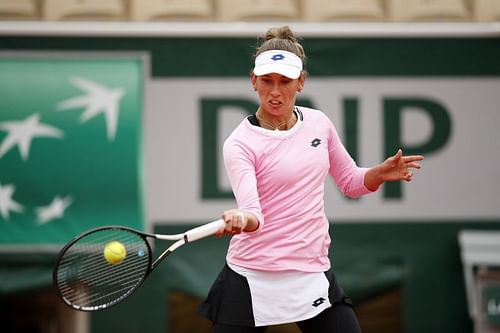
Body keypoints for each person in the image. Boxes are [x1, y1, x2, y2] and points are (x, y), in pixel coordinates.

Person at [198, 26, 424, 333]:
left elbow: (350, 182)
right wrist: (241, 217)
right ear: (254, 81)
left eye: (285, 82)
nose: (275, 92)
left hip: (310, 272)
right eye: (267, 81)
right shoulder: (239, 144)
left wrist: (376, 174)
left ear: (301, 82)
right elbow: (254, 214)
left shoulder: (319, 124)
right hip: (253, 276)